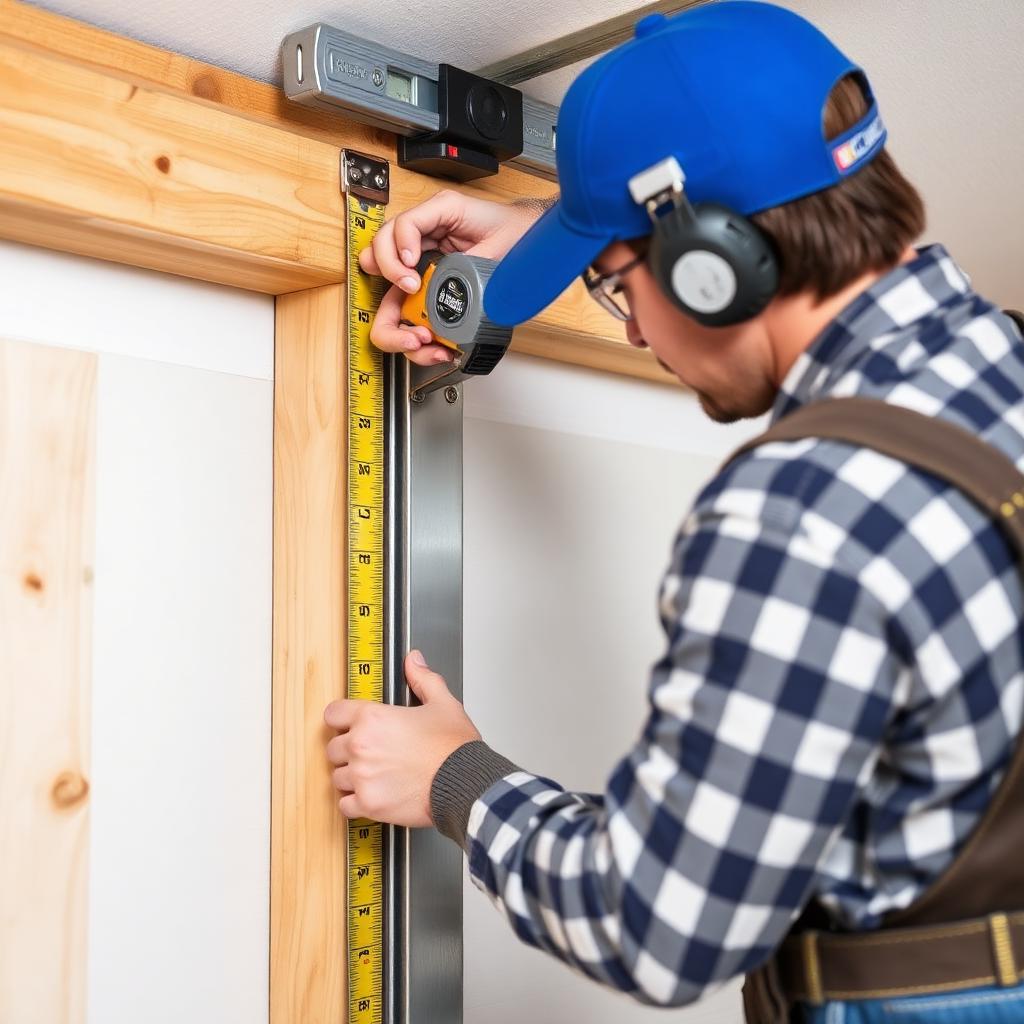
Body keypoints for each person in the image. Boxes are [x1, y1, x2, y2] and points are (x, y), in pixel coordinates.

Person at [324, 2, 1024, 1020]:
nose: (637, 333)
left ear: (712, 263)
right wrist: (587, 238)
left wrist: (452, 777)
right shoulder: (993, 368)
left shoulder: (800, 512)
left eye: (616, 290)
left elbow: (665, 926)